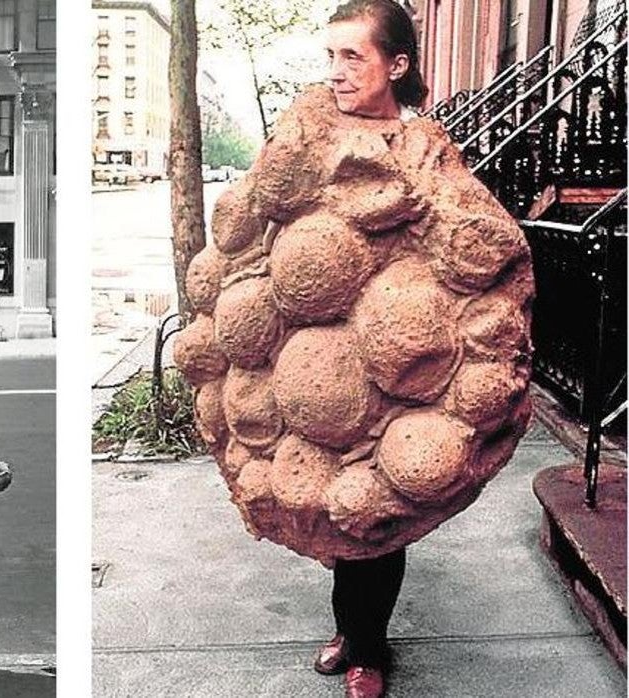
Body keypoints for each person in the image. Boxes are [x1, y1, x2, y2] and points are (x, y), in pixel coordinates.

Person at [314, 2, 429, 697]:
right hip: (321, 360)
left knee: (377, 516)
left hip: (396, 363)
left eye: (352, 56)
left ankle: (369, 649)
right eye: (330, 57)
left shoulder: (421, 147)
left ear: (397, 64)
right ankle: (349, 625)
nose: (336, 72)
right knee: (333, 513)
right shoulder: (314, 135)